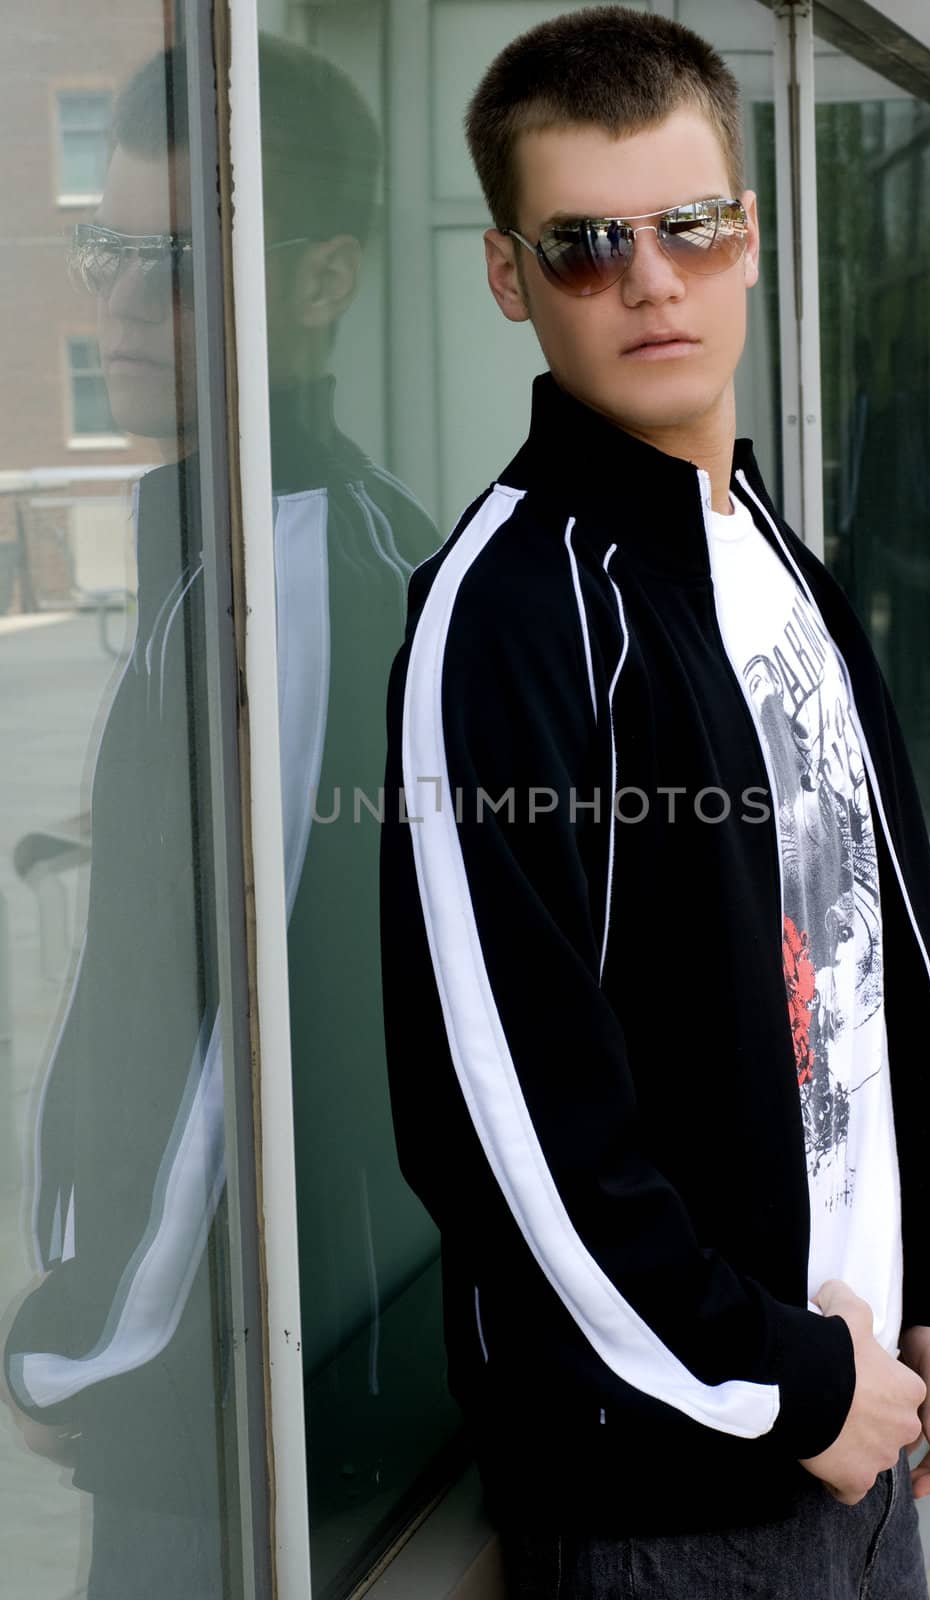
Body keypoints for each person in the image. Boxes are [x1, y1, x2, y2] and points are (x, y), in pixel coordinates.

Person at [378, 8, 930, 1598]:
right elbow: (505, 1113)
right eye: (584, 246)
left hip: (862, 1426)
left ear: (750, 240)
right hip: (677, 1491)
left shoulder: (768, 555)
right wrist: (782, 1377)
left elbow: (884, 948)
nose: (649, 279)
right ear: (510, 279)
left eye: (687, 227)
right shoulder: (507, 614)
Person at [1, 34, 439, 1599]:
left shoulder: (286, 582)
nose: (118, 308)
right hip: (255, 1361)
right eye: (107, 251)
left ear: (317, 283)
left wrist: (87, 1344)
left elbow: (233, 1051)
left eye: (173, 264)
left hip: (244, 1396)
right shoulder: (238, 539)